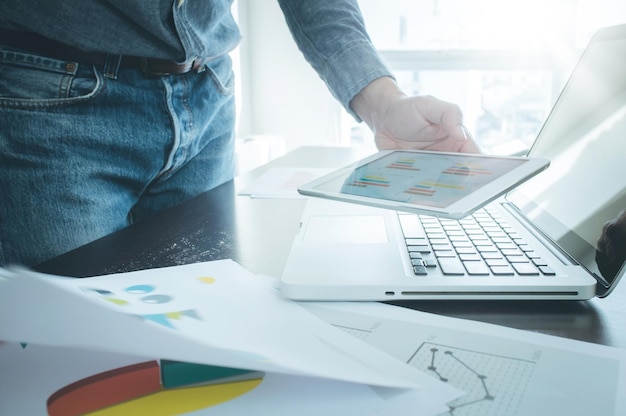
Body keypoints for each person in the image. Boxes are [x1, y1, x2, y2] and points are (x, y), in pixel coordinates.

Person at [0, 0, 479, 267]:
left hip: (207, 94)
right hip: (51, 98)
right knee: (73, 351)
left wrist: (385, 106)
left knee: (206, 324)